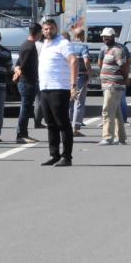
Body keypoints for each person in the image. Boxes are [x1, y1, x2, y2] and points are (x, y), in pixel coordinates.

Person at [37, 18, 78, 167]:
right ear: (43, 30)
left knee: (63, 123)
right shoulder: (45, 44)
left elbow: (73, 61)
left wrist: (73, 85)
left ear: (56, 28)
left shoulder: (63, 43)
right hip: (45, 88)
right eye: (46, 29)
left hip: (59, 88)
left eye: (51, 28)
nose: (48, 31)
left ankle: (67, 157)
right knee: (50, 124)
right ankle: (54, 155)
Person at [97, 27, 130, 146]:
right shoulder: (107, 49)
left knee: (107, 110)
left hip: (113, 85)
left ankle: (108, 137)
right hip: (109, 84)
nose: (105, 38)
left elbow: (124, 66)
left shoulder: (117, 50)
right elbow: (100, 63)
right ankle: (121, 138)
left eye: (108, 36)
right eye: (104, 37)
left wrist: (125, 78)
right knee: (116, 112)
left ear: (113, 37)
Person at [13, 23, 42, 144]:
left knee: (26, 108)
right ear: (38, 33)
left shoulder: (25, 44)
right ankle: (21, 135)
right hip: (27, 82)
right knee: (25, 109)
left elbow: (18, 63)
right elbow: (22, 64)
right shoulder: (30, 47)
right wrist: (17, 72)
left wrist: (17, 70)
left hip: (27, 81)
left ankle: (23, 134)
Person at [66, 27, 91, 136]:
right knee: (79, 102)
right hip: (81, 75)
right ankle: (75, 128)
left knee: (70, 102)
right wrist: (89, 74)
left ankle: (68, 125)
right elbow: (86, 61)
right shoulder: (83, 46)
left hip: (68, 76)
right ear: (82, 36)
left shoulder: (68, 46)